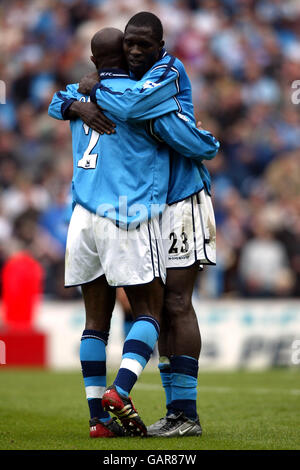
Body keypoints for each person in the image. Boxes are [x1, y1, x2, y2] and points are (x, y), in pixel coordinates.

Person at [49, 26, 219, 438]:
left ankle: (181, 412)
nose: (137, 51)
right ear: (121, 54)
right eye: (130, 45)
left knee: (174, 303)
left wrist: (83, 98)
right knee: (155, 309)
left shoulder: (160, 79)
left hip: (180, 201)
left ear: (161, 47)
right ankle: (133, 407)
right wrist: (80, 101)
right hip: (135, 209)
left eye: (144, 44)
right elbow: (62, 103)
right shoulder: (124, 89)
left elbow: (191, 142)